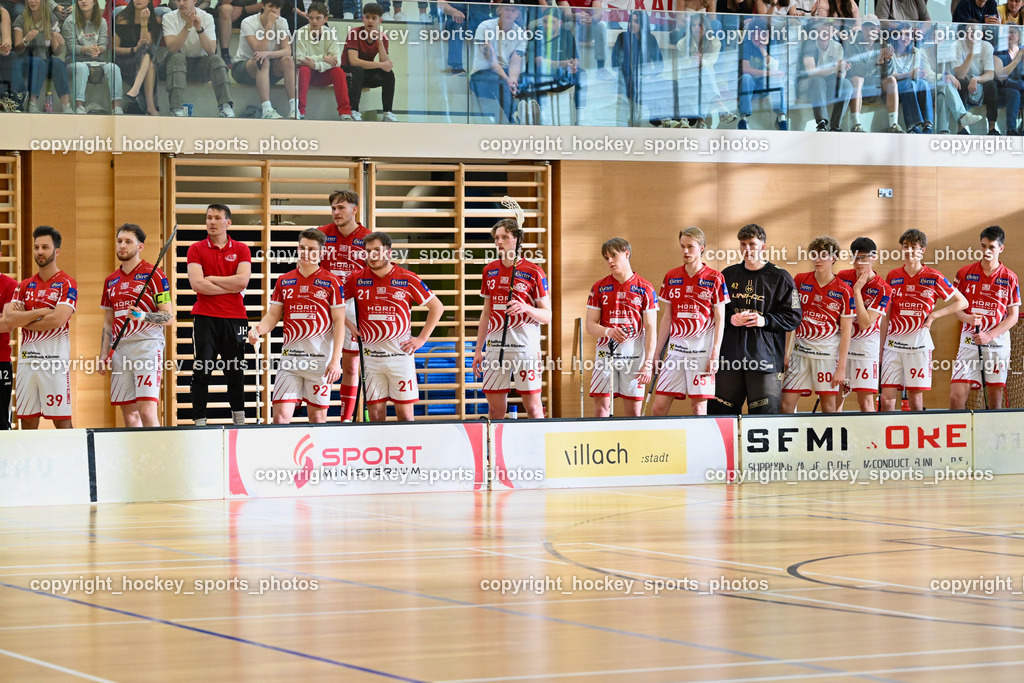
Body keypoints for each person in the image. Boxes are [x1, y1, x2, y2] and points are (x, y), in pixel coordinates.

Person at [343, 231, 444, 422]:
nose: (372, 256)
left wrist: (421, 339)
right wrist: (350, 326)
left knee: (405, 416)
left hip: (400, 358)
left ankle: (406, 451)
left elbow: (437, 307)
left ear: (388, 253)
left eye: (376, 251)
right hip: (371, 360)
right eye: (368, 251)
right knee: (375, 416)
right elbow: (335, 305)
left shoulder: (407, 278)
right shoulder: (355, 278)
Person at [248, 229, 345, 424]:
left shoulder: (332, 282)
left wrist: (336, 360)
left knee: (317, 419)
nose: (306, 253)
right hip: (290, 362)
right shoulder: (285, 280)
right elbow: (273, 315)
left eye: (311, 249)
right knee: (280, 417)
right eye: (302, 248)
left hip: (320, 362)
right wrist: (258, 329)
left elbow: (339, 321)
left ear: (321, 253)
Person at [709, 224, 801, 415]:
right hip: (730, 359)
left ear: (763, 247)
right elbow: (712, 312)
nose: (747, 249)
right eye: (743, 244)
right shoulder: (727, 275)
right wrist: (730, 318)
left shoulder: (781, 277)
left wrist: (765, 321)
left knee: (763, 418)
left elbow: (794, 317)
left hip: (764, 360)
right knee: (720, 415)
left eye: (752, 244)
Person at [880, 229, 968, 412]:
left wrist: (935, 315)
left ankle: (914, 437)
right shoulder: (893, 276)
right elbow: (887, 315)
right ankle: (885, 435)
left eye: (914, 247)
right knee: (887, 397)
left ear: (923, 250)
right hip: (893, 345)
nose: (909, 251)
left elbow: (962, 302)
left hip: (919, 345)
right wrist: (881, 348)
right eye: (906, 247)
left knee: (916, 398)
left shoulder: (934, 276)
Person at [473, 218, 551, 420]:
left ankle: (538, 448)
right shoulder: (489, 270)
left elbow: (547, 316)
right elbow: (486, 313)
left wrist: (526, 307)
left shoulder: (534, 271)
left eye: (504, 237)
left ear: (517, 240)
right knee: (495, 410)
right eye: (496, 238)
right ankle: (497, 450)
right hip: (495, 348)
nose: (499, 242)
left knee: (533, 408)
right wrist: (479, 349)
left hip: (525, 349)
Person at [1, 226, 77, 429]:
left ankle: (72, 461)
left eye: (45, 247)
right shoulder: (24, 285)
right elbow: (9, 320)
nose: (40, 252)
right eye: (36, 247)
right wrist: (40, 312)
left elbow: (57, 320)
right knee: (26, 422)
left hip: (54, 363)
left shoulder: (67, 283)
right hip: (27, 364)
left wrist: (23, 318)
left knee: (62, 423)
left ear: (57, 251)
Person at [99, 224, 173, 427]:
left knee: (147, 410)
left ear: (140, 247)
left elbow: (168, 317)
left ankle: (158, 458)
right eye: (120, 241)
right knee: (130, 415)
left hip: (147, 346)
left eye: (128, 242)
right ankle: (139, 458)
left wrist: (143, 316)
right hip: (120, 349)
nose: (122, 246)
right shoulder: (110, 281)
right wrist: (103, 353)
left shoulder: (155, 275)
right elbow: (108, 321)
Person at [186, 204, 252, 426]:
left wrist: (211, 277)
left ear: (228, 222)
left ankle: (239, 421)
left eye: (216, 218)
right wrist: (229, 285)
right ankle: (200, 422)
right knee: (202, 369)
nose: (211, 222)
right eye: (208, 218)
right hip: (205, 317)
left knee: (235, 372)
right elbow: (197, 284)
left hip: (236, 319)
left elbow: (242, 281)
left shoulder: (242, 249)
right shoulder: (195, 249)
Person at [652, 227, 728, 417]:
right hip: (676, 352)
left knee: (698, 408)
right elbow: (667, 318)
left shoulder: (715, 278)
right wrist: (656, 353)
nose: (685, 251)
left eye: (690, 247)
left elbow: (720, 319)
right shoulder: (671, 276)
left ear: (702, 247)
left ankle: (699, 446)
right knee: (658, 407)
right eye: (682, 247)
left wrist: (715, 354)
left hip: (702, 354)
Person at [585, 238, 658, 418]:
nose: (609, 261)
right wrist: (608, 331)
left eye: (613, 256)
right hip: (605, 357)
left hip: (634, 358)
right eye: (606, 258)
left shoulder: (645, 288)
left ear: (626, 253)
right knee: (602, 410)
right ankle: (600, 446)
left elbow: (651, 328)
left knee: (633, 413)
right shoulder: (600, 287)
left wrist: (648, 363)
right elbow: (590, 326)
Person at [950, 226, 1020, 410]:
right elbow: (955, 309)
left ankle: (990, 438)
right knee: (956, 398)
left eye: (991, 247)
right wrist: (967, 319)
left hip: (997, 344)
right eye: (983, 246)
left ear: (1001, 248)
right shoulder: (964, 273)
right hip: (969, 342)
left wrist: (989, 336)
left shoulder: (1010, 277)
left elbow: (1013, 317)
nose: (987, 251)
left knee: (995, 402)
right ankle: (961, 437)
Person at [781, 237, 853, 414]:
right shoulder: (800, 280)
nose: (818, 259)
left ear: (833, 258)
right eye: (814, 255)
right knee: (785, 405)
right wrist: (785, 353)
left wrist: (841, 369)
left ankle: (830, 442)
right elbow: (792, 320)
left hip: (827, 356)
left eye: (823, 255)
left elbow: (846, 332)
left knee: (829, 407)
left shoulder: (844, 290)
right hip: (800, 354)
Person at [317, 189, 370, 422]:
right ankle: (318, 416)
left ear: (354, 209)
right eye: (333, 208)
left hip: (353, 305)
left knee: (350, 367)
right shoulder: (320, 234)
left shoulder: (369, 238)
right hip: (325, 304)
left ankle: (345, 420)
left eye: (341, 207)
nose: (336, 212)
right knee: (321, 363)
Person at [836, 237, 891, 412]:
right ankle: (833, 438)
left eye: (864, 257)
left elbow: (866, 322)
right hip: (842, 346)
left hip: (866, 350)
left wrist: (857, 291)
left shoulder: (883, 289)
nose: (858, 262)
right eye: (855, 257)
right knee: (835, 399)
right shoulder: (842, 276)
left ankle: (871, 438)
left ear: (874, 257)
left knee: (865, 402)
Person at [158, 0, 236, 118]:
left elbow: (211, 50)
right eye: (178, 0)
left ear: (194, 1)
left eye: (185, 0)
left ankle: (225, 106)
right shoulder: (169, 17)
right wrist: (187, 27)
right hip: (173, 65)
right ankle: (176, 108)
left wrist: (198, 28)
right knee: (177, 57)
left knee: (217, 60)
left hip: (199, 65)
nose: (181, 3)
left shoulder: (206, 17)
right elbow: (173, 47)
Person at [233, 0, 296, 119]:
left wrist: (268, 54)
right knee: (263, 60)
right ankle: (267, 109)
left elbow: (287, 51)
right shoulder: (248, 22)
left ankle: (294, 108)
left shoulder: (282, 22)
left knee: (288, 60)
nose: (273, 10)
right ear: (263, 6)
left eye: (277, 8)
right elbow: (259, 50)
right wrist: (269, 26)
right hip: (243, 67)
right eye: (271, 6)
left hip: (267, 65)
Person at [469, 1, 526, 124]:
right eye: (507, 9)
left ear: (518, 14)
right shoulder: (485, 27)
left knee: (528, 82)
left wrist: (513, 80)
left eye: (513, 10)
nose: (509, 12)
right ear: (499, 10)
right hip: (481, 75)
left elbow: (515, 62)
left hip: (505, 74)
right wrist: (507, 80)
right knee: (502, 83)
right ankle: (514, 118)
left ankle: (534, 117)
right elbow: (492, 61)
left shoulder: (520, 33)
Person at [295, 2, 354, 120]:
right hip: (307, 75)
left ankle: (345, 112)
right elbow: (299, 58)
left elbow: (336, 61)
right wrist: (322, 58)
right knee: (303, 69)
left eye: (318, 18)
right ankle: (300, 111)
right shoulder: (301, 32)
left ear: (325, 19)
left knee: (339, 72)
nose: (314, 22)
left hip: (323, 74)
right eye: (311, 18)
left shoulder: (331, 34)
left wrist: (316, 64)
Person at [63, 0, 123, 114]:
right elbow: (71, 47)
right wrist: (86, 49)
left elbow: (103, 44)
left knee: (114, 68)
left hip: (97, 60)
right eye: (80, 0)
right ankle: (79, 106)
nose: (83, 1)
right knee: (82, 68)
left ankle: (116, 107)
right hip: (75, 61)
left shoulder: (102, 21)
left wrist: (98, 49)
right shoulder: (70, 21)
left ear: (95, 2)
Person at [844, 14, 901, 133]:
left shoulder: (883, 43)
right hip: (860, 87)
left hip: (876, 85)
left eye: (873, 28)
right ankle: (856, 124)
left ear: (878, 30)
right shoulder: (852, 43)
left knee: (892, 80)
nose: (869, 31)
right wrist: (877, 61)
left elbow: (889, 73)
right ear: (862, 29)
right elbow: (854, 69)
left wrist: (888, 61)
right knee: (857, 79)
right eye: (866, 28)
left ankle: (894, 124)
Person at [342, 3, 398, 122]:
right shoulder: (354, 33)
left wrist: (380, 42)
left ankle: (388, 112)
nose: (370, 21)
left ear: (380, 20)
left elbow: (386, 65)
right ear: (363, 19)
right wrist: (381, 65)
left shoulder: (382, 37)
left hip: (364, 73)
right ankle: (353, 110)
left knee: (389, 74)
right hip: (348, 74)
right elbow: (353, 62)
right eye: (367, 17)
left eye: (374, 18)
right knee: (358, 70)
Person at [14, 0, 71, 112]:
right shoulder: (21, 19)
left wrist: (62, 44)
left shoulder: (51, 19)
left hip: (45, 59)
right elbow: (17, 49)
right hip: (26, 59)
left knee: (58, 63)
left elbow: (56, 51)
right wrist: (25, 40)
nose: (32, 1)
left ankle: (66, 105)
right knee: (39, 62)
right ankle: (32, 104)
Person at [798, 21, 853, 131]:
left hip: (827, 85)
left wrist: (842, 69)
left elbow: (841, 76)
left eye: (827, 31)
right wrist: (834, 68)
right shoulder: (809, 44)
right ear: (816, 32)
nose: (824, 33)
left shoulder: (837, 46)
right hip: (807, 85)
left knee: (847, 84)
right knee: (818, 80)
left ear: (832, 33)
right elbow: (811, 72)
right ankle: (821, 122)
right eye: (821, 31)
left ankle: (835, 126)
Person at [737, 17, 788, 130]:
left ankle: (781, 118)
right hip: (749, 87)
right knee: (746, 77)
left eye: (761, 34)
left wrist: (762, 49)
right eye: (754, 34)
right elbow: (746, 69)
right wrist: (770, 73)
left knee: (777, 80)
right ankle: (743, 119)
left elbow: (775, 68)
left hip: (764, 85)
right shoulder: (746, 43)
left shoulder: (772, 41)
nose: (757, 37)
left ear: (767, 35)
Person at [113, 0, 161, 116]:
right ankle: (150, 106)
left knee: (146, 52)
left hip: (144, 59)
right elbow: (114, 48)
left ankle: (136, 91)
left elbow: (147, 43)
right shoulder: (121, 18)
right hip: (125, 60)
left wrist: (144, 22)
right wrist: (133, 49)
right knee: (148, 57)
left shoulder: (156, 20)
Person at [890, 23, 933, 134]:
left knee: (924, 84)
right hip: (895, 86)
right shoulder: (891, 51)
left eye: (908, 35)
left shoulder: (915, 51)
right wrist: (909, 74)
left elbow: (915, 74)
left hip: (911, 83)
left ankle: (928, 125)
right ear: (896, 36)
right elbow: (892, 75)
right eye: (901, 34)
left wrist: (912, 75)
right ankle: (912, 125)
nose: (904, 38)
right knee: (910, 84)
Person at [0, 258, 16, 430]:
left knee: (2, 423)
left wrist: (3, 319)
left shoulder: (9, 285)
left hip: (0, 360)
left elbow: (6, 324)